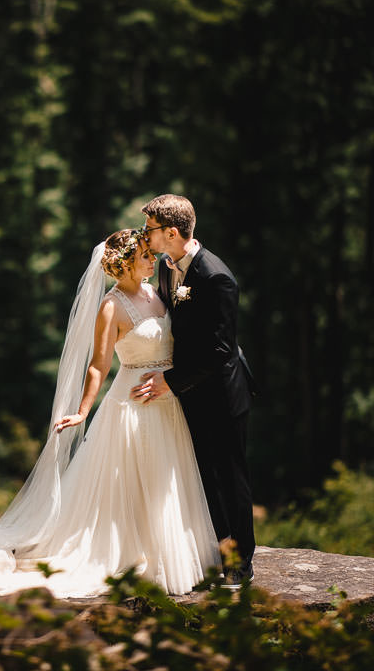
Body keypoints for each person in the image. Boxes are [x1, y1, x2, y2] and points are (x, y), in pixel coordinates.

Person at [0, 229, 220, 598]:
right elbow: (98, 365)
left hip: (167, 398)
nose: (153, 259)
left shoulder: (156, 291)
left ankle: (176, 556)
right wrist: (82, 410)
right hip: (133, 403)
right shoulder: (111, 306)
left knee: (168, 480)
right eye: (145, 255)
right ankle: (147, 561)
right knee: (140, 481)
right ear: (126, 264)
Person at [132, 194, 257, 587]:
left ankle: (241, 562)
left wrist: (170, 381)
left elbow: (220, 351)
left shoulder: (217, 277)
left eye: (150, 229)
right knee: (203, 476)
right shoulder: (166, 267)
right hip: (191, 393)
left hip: (222, 394)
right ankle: (214, 551)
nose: (145, 236)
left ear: (171, 233)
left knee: (229, 477)